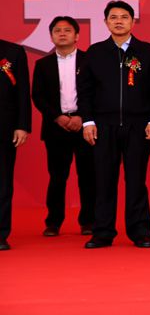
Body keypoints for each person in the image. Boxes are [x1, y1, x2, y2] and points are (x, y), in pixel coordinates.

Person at [78, 1, 150, 249]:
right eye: (113, 17)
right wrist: (88, 121)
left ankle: (140, 231)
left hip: (139, 125)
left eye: (124, 17)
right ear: (105, 22)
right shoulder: (95, 52)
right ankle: (102, 232)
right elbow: (84, 91)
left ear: (132, 21)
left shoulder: (147, 52)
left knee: (136, 180)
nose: (118, 21)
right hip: (103, 125)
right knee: (104, 180)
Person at [32, 16, 95, 237]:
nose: (62, 34)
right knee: (57, 177)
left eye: (67, 30)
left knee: (88, 176)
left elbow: (98, 93)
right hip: (56, 128)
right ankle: (53, 222)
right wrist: (57, 117)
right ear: (51, 36)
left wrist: (82, 117)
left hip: (85, 127)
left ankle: (88, 221)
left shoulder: (89, 61)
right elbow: (38, 96)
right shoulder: (43, 64)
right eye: (57, 31)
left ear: (77, 36)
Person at [0, 38, 31, 251]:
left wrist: (22, 125)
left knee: (2, 181)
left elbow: (22, 91)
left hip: (4, 127)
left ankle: (1, 233)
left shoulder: (13, 51)